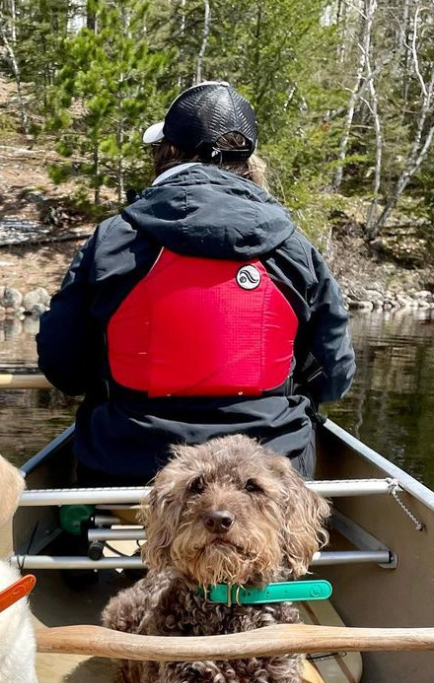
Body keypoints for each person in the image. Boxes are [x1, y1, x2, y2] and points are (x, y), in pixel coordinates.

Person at [36, 81, 355, 485]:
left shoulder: (113, 241)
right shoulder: (294, 247)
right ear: (247, 161)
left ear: (168, 152)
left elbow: (63, 367)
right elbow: (334, 377)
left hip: (131, 473)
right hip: (266, 478)